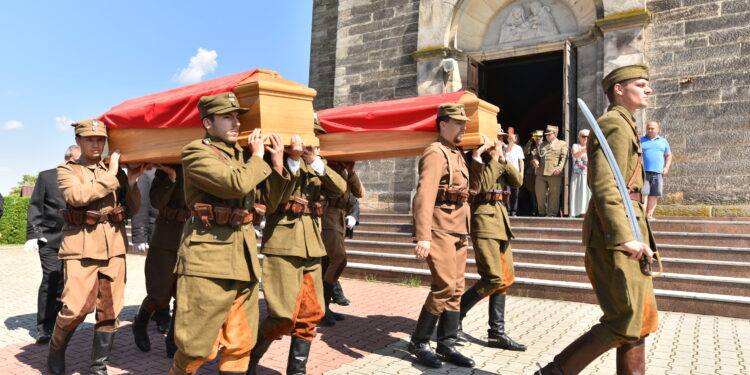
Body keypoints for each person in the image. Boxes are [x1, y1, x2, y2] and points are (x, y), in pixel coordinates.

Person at [536, 64, 658, 375]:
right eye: (641, 84)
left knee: (640, 318)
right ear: (619, 89)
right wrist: (623, 234)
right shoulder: (614, 123)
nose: (648, 90)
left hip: (631, 223)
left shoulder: (626, 123)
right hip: (614, 231)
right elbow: (605, 182)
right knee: (624, 318)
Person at [166, 92, 286, 375]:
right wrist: (258, 157)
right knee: (197, 346)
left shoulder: (245, 157)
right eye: (227, 117)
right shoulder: (197, 152)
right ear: (208, 123)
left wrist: (278, 163)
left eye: (237, 117)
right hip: (207, 260)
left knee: (240, 343)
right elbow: (234, 184)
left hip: (242, 260)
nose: (236, 122)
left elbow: (269, 203)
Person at [248, 126, 347, 375]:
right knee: (282, 316)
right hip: (283, 243)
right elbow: (272, 201)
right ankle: (249, 359)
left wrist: (314, 160)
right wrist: (289, 160)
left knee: (311, 314)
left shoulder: (314, 164)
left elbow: (340, 190)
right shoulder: (276, 159)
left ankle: (297, 371)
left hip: (312, 245)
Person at [47, 119, 144, 375]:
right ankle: (55, 352)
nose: (95, 144)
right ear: (78, 141)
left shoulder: (115, 171)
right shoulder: (68, 170)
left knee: (110, 310)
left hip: (113, 247)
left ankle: (98, 366)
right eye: (90, 139)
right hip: (80, 248)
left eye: (100, 139)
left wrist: (131, 183)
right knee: (74, 309)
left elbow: (133, 209)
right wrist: (111, 175)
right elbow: (76, 197)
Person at [408, 103, 483, 369]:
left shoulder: (458, 153)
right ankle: (418, 342)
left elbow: (471, 191)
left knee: (457, 289)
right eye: (458, 122)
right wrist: (423, 235)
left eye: (464, 123)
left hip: (459, 228)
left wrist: (476, 160)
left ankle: (446, 344)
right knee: (444, 286)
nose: (464, 126)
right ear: (443, 124)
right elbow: (424, 194)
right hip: (439, 227)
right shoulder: (435, 152)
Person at [459, 124, 526, 352]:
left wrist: (504, 158)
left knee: (505, 278)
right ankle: (453, 318)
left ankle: (496, 334)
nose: (498, 142)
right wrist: (495, 158)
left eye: (500, 139)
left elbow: (517, 182)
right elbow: (483, 185)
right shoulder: (472, 159)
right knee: (493, 278)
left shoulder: (498, 160)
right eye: (495, 139)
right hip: (484, 221)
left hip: (501, 221)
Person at [25, 145, 80, 344]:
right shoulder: (47, 177)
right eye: (75, 162)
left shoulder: (83, 178)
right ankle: (44, 326)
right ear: (66, 160)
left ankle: (61, 321)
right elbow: (35, 206)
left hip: (75, 240)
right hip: (50, 239)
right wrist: (34, 233)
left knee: (68, 282)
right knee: (52, 278)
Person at [131, 164, 186, 358]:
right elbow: (156, 202)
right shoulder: (165, 170)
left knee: (185, 294)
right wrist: (171, 177)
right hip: (167, 235)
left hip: (195, 238)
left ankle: (172, 339)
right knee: (159, 292)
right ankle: (141, 322)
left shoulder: (206, 164)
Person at [320, 150, 365, 325]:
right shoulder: (323, 166)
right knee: (339, 259)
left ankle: (323, 308)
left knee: (326, 263)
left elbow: (359, 193)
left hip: (339, 218)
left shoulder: (343, 170)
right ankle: (322, 307)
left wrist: (351, 172)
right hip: (326, 216)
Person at [533, 125, 568, 217]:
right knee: (540, 193)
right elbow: (536, 155)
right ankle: (542, 212)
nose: (547, 136)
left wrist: (559, 168)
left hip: (554, 173)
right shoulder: (542, 144)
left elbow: (564, 158)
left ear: (555, 134)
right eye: (546, 134)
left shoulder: (562, 144)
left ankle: (552, 213)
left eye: (549, 134)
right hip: (541, 172)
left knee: (554, 195)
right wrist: (535, 160)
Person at [641, 121, 672, 221]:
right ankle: (642, 216)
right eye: (648, 128)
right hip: (644, 173)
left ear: (658, 130)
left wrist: (666, 167)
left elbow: (668, 155)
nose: (649, 130)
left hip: (658, 173)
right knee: (644, 194)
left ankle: (649, 215)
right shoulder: (640, 140)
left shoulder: (663, 141)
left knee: (654, 194)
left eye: (652, 128)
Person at [569, 129, 592, 217]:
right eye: (583, 136)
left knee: (587, 194)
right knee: (576, 194)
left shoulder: (592, 147)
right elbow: (576, 155)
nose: (586, 138)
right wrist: (586, 147)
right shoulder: (575, 146)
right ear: (579, 137)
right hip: (577, 174)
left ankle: (586, 213)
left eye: (588, 136)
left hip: (588, 174)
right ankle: (575, 213)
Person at [503, 131, 524, 216]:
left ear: (515, 139)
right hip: (506, 173)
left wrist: (521, 172)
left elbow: (521, 161)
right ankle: (507, 211)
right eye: (509, 137)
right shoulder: (504, 147)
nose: (510, 139)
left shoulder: (518, 148)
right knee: (507, 192)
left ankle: (514, 211)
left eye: (512, 137)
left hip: (516, 173)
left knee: (515, 193)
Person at [521, 130, 543, 216]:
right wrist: (530, 141)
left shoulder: (545, 145)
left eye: (539, 137)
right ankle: (534, 210)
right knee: (532, 193)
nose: (537, 139)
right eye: (536, 137)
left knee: (541, 193)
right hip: (531, 173)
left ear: (542, 137)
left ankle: (541, 211)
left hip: (541, 172)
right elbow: (525, 154)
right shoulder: (531, 147)